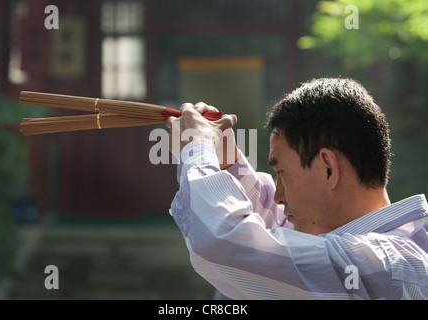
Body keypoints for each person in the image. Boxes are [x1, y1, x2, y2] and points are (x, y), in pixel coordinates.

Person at [165, 78, 428, 300]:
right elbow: (280, 236)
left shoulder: (384, 267)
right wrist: (226, 163)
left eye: (281, 173)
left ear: (328, 168)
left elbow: (228, 244)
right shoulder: (402, 244)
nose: (279, 197)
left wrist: (198, 150)